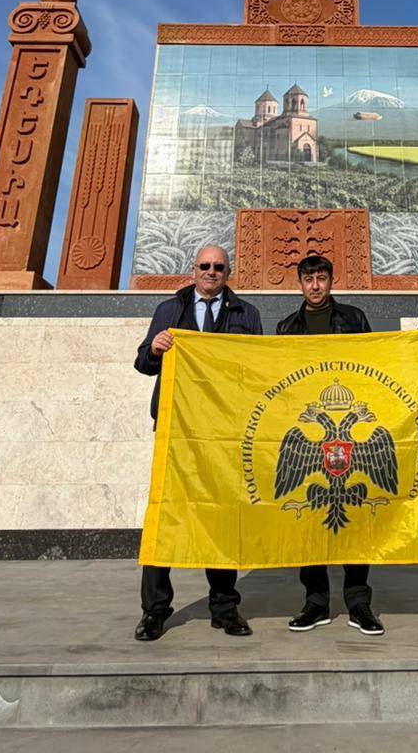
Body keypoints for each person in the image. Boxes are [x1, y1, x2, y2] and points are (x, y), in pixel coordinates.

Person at [133, 244, 263, 642]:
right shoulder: (169, 310)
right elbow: (142, 362)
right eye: (205, 266)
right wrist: (155, 349)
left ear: (228, 272)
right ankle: (155, 610)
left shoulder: (246, 314)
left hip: (223, 430)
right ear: (193, 269)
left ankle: (224, 607)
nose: (211, 272)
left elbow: (258, 369)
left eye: (219, 267)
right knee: (165, 515)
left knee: (220, 517)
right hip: (176, 426)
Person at [276, 253, 385, 637]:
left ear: (330, 281)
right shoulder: (287, 327)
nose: (315, 285)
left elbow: (374, 367)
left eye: (321, 277)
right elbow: (281, 381)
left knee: (355, 522)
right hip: (310, 430)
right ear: (300, 284)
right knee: (310, 518)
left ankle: (359, 604)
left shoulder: (354, 319)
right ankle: (316, 602)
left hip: (348, 435)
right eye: (309, 279)